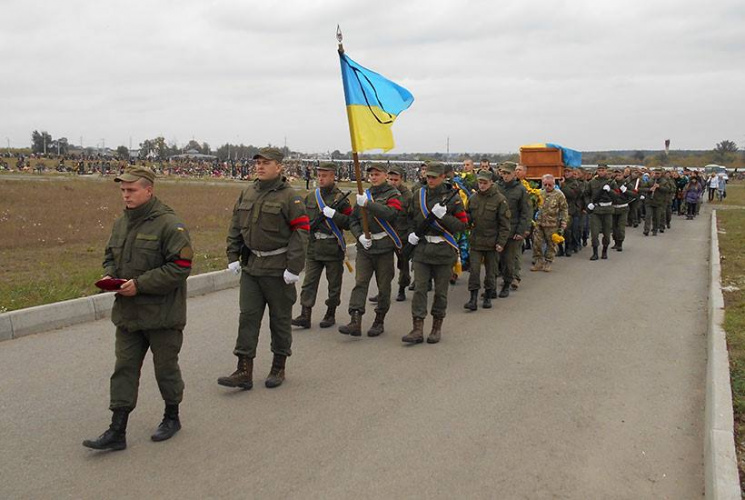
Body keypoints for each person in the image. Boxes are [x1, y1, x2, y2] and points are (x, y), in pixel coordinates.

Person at [83, 166, 193, 451]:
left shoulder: (170, 225)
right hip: (129, 315)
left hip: (162, 316)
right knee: (124, 369)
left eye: (131, 190)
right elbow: (110, 255)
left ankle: (172, 416)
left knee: (165, 369)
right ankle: (117, 430)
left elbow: (180, 268)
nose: (126, 196)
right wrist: (109, 275)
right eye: (122, 190)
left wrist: (140, 284)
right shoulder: (122, 222)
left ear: (149, 190)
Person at [218, 147, 309, 391]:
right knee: (247, 317)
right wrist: (233, 255)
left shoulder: (290, 197)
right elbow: (236, 226)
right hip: (252, 267)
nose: (259, 166)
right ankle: (244, 370)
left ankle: (278, 366)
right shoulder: (247, 192)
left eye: (266, 163)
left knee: (279, 320)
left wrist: (294, 268)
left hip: (278, 270)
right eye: (257, 162)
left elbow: (300, 234)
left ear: (279, 167)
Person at [402, 163, 467, 344]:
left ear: (443, 177)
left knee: (440, 293)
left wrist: (443, 216)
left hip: (444, 250)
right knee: (420, 290)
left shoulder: (453, 198)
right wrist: (411, 235)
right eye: (428, 177)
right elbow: (408, 218)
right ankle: (417, 328)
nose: (430, 180)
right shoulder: (418, 195)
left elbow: (462, 226)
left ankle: (436, 328)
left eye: (434, 177)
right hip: (422, 250)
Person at [339, 164, 402, 337]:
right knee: (360, 283)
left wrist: (369, 205)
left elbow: (391, 214)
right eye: (371, 174)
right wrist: (359, 236)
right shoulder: (363, 195)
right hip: (365, 248)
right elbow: (353, 220)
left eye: (377, 174)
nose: (373, 177)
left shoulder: (393, 194)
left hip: (384, 248)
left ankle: (379, 320)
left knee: (383, 287)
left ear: (385, 176)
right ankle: (355, 320)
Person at [291, 162, 352, 329]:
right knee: (309, 282)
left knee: (334, 284)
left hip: (332, 246)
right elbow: (303, 220)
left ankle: (330, 313)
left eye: (324, 175)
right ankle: (305, 314)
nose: (321, 179)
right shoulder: (311, 197)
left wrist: (335, 216)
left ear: (333, 176)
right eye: (319, 175)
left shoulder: (340, 199)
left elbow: (350, 222)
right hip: (314, 247)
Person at [464, 169, 510, 310]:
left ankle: (488, 296)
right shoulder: (473, 198)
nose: (482, 185)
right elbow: (467, 217)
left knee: (491, 272)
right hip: (476, 241)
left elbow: (505, 224)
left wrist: (501, 243)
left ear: (491, 183)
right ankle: (472, 299)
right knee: (474, 271)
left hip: (492, 242)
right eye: (480, 182)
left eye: (484, 183)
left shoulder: (499, 199)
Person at [496, 162, 531, 296]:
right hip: (498, 229)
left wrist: (521, 231)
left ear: (514, 174)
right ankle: (492, 287)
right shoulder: (496, 187)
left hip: (513, 229)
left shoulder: (520, 190)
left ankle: (508, 282)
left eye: (507, 173)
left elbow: (526, 212)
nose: (505, 176)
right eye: (503, 173)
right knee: (495, 260)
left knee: (509, 259)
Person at [530, 174, 568, 272]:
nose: (547, 187)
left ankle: (548, 261)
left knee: (551, 244)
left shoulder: (559, 195)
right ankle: (538, 261)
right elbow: (534, 206)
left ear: (554, 184)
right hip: (539, 223)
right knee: (536, 243)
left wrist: (564, 221)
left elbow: (564, 209)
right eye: (545, 184)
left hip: (552, 224)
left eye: (549, 185)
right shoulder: (540, 193)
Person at [387, 164, 414, 301]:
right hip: (386, 234)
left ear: (401, 179)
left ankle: (402, 288)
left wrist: (410, 235)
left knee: (403, 264)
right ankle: (383, 291)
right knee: (383, 266)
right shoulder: (384, 193)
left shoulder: (408, 196)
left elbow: (412, 218)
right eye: (390, 179)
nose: (392, 182)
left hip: (402, 235)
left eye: (395, 180)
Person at [585, 164, 618, 260]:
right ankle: (595, 252)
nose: (601, 172)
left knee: (607, 234)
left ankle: (604, 251)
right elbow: (586, 194)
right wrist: (588, 204)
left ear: (606, 171)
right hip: (596, 210)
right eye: (599, 170)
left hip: (607, 210)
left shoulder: (611, 182)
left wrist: (610, 190)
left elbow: (616, 196)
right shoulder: (591, 182)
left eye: (603, 170)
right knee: (594, 234)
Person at [560, 167, 585, 256]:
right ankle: (560, 248)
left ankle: (568, 247)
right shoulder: (559, 181)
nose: (566, 173)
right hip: (559, 209)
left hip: (571, 210)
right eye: (565, 171)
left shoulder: (576, 183)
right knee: (560, 229)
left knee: (569, 230)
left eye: (569, 171)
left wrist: (563, 185)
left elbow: (572, 194)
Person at [611, 168, 636, 252]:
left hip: (623, 208)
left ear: (623, 175)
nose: (617, 177)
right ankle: (615, 242)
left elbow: (634, 194)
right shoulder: (611, 183)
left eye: (619, 175)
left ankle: (620, 243)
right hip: (613, 208)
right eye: (616, 175)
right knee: (614, 227)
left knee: (621, 227)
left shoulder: (627, 184)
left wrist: (625, 191)